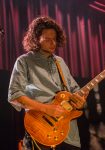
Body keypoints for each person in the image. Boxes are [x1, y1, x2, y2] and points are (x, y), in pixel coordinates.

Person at [8, 16, 88, 150]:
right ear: (36, 39)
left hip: (69, 136)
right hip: (41, 132)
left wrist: (81, 100)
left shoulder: (60, 62)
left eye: (55, 39)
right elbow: (15, 96)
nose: (53, 43)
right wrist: (47, 108)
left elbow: (76, 91)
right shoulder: (24, 61)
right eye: (47, 39)